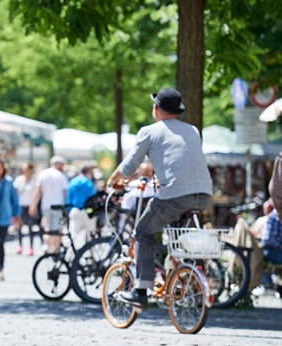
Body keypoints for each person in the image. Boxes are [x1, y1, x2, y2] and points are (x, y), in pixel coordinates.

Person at [107, 87, 212, 308]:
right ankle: (178, 272)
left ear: (156, 109)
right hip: (203, 194)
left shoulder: (149, 131)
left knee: (143, 232)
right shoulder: (193, 130)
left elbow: (130, 165)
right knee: (173, 231)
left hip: (175, 195)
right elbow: (180, 160)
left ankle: (141, 291)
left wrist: (112, 180)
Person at [30, 156, 69, 254]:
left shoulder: (43, 174)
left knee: (47, 228)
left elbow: (37, 191)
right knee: (57, 230)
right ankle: (55, 251)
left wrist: (33, 205)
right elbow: (65, 192)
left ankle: (47, 247)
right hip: (58, 206)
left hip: (46, 206)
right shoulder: (61, 175)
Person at [65, 165, 96, 249]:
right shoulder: (89, 183)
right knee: (90, 235)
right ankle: (90, 255)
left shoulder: (73, 182)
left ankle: (68, 255)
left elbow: (68, 198)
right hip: (87, 211)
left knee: (73, 235)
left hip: (74, 210)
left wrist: (68, 210)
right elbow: (92, 198)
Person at [13, 162, 40, 256]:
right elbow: (15, 194)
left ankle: (31, 248)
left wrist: (34, 206)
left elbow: (36, 194)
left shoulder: (34, 181)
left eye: (27, 169)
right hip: (20, 206)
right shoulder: (18, 180)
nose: (25, 171)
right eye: (24, 169)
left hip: (30, 206)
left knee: (30, 227)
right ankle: (20, 246)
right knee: (19, 227)